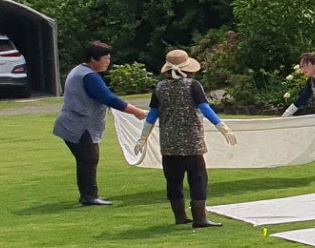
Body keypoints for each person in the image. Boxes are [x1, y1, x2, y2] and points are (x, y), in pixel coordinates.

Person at [134, 49, 237, 229]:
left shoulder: (159, 88)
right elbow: (205, 109)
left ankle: (180, 216)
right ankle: (200, 218)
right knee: (198, 178)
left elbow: (152, 116)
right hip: (192, 143)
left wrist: (143, 138)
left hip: (169, 144)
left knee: (173, 181)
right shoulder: (193, 86)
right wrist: (223, 127)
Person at [51, 40, 146, 207]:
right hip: (78, 125)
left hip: (73, 123)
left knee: (87, 159)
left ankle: (89, 195)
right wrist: (137, 111)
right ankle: (89, 197)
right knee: (88, 158)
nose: (108, 62)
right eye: (105, 58)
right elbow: (108, 98)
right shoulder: (89, 76)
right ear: (93, 59)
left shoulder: (80, 71)